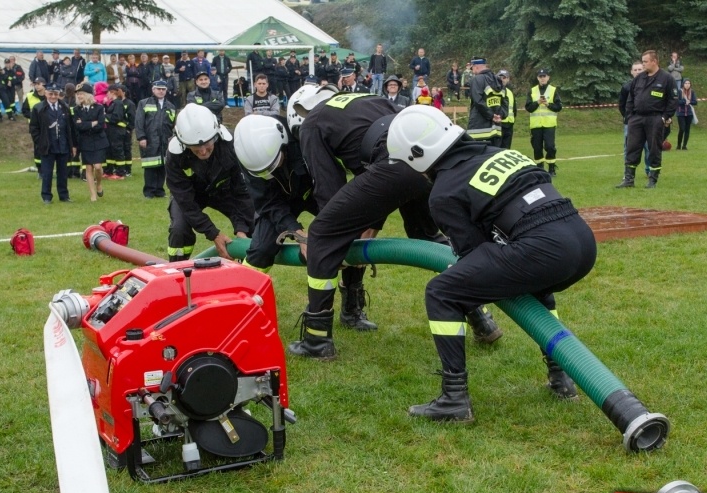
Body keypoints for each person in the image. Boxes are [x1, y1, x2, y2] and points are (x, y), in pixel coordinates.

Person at [386, 105, 597, 422]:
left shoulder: (444, 192)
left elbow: (474, 252)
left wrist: (462, 275)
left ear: (417, 155)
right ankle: (561, 376)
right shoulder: (500, 152)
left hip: (545, 250)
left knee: (442, 291)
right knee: (529, 277)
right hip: (582, 240)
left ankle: (454, 399)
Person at [285, 86, 501, 359]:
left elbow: (330, 188)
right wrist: (369, 221)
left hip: (394, 162)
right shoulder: (365, 98)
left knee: (322, 233)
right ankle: (480, 315)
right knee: (428, 238)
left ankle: (316, 340)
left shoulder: (312, 123)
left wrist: (336, 235)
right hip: (430, 159)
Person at [165, 104, 255, 261]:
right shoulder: (175, 155)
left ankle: (250, 271)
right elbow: (185, 201)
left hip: (224, 190)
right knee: (179, 229)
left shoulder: (231, 145)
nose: (203, 151)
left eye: (207, 144)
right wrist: (213, 233)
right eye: (195, 147)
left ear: (216, 134)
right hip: (192, 195)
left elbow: (241, 191)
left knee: (252, 222)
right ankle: (176, 270)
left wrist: (242, 227)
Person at [233, 114, 316, 272]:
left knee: (345, 228)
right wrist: (299, 235)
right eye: (265, 171)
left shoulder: (299, 133)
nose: (273, 170)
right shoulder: (249, 157)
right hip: (278, 201)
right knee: (261, 250)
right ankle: (246, 292)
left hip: (314, 189)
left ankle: (352, 286)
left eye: (275, 163)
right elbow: (267, 203)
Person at [617, 50, 677, 189]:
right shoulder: (639, 78)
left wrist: (665, 117)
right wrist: (630, 116)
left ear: (654, 61)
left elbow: (673, 100)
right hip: (637, 118)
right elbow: (631, 98)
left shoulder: (666, 78)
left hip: (655, 118)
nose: (643, 64)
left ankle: (652, 180)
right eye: (642, 61)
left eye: (645, 61)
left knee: (654, 149)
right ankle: (629, 179)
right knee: (632, 148)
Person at [30, 84, 77, 204]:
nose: (53, 96)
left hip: (63, 145)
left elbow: (71, 127)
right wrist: (39, 142)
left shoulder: (64, 107)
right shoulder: (38, 108)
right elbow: (34, 128)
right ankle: (46, 196)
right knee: (47, 173)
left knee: (63, 173)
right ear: (46, 94)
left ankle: (64, 196)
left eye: (55, 94)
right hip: (47, 146)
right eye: (50, 93)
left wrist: (73, 144)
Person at [135, 79, 177, 198]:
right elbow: (139, 122)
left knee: (163, 166)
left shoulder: (171, 106)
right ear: (153, 90)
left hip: (165, 140)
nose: (161, 91)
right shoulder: (144, 103)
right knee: (150, 166)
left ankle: (160, 190)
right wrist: (141, 137)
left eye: (163, 89)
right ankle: (149, 191)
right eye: (158, 89)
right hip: (150, 140)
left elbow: (173, 124)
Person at [72, 82, 108, 202]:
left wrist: (85, 124)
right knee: (88, 168)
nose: (79, 96)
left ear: (88, 94)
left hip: (99, 141)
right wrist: (91, 123)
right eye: (78, 94)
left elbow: (100, 125)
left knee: (98, 167)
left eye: (81, 94)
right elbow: (78, 126)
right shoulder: (76, 109)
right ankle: (93, 195)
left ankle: (99, 184)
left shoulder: (99, 107)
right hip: (85, 141)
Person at [525, 68, 562, 175]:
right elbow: (529, 108)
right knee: (537, 147)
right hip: (536, 125)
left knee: (550, 146)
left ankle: (551, 168)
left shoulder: (553, 90)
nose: (542, 78)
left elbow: (558, 107)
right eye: (540, 76)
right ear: (537, 78)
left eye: (544, 76)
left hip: (549, 124)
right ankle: (540, 168)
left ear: (548, 77)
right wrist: (537, 102)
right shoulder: (532, 91)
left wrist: (548, 104)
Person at [619, 60, 650, 179]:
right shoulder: (626, 87)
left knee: (648, 147)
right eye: (635, 70)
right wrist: (629, 117)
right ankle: (627, 173)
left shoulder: (649, 85)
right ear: (631, 72)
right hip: (630, 123)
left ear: (644, 70)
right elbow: (621, 105)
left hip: (647, 122)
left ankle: (649, 170)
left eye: (639, 69)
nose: (637, 72)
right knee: (629, 148)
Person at [466, 57, 506, 147]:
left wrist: (491, 115)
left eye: (472, 68)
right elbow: (504, 101)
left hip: (478, 128)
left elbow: (478, 101)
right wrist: (501, 115)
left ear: (475, 67)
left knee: (478, 158)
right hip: (496, 128)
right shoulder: (498, 81)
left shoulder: (476, 79)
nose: (472, 71)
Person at [104, 84, 128, 179]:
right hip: (111, 131)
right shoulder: (114, 103)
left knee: (118, 151)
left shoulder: (118, 103)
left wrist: (104, 116)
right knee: (110, 151)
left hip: (117, 131)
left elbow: (116, 117)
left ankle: (120, 173)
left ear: (112, 92)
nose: (107, 95)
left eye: (108, 92)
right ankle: (108, 171)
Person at [675, 79, 698, 150]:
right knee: (682, 129)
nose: (687, 85)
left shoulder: (692, 92)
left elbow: (695, 102)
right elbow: (677, 101)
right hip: (680, 113)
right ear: (683, 84)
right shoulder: (679, 91)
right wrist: (684, 101)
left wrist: (690, 102)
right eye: (686, 83)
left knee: (687, 129)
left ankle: (684, 145)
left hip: (689, 113)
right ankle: (678, 145)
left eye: (688, 83)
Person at [497, 70, 516, 149]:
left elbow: (514, 108)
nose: (502, 79)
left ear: (508, 79)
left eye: (504, 77)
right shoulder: (495, 90)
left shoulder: (510, 92)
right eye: (500, 77)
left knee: (507, 149)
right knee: (497, 149)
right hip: (498, 124)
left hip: (509, 124)